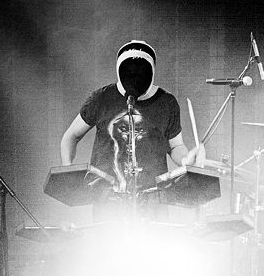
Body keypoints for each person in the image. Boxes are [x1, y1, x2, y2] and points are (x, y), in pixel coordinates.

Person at [59, 40, 204, 219]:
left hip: (152, 200)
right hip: (107, 201)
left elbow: (175, 146)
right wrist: (68, 171)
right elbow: (71, 135)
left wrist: (186, 160)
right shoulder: (102, 98)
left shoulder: (167, 102)